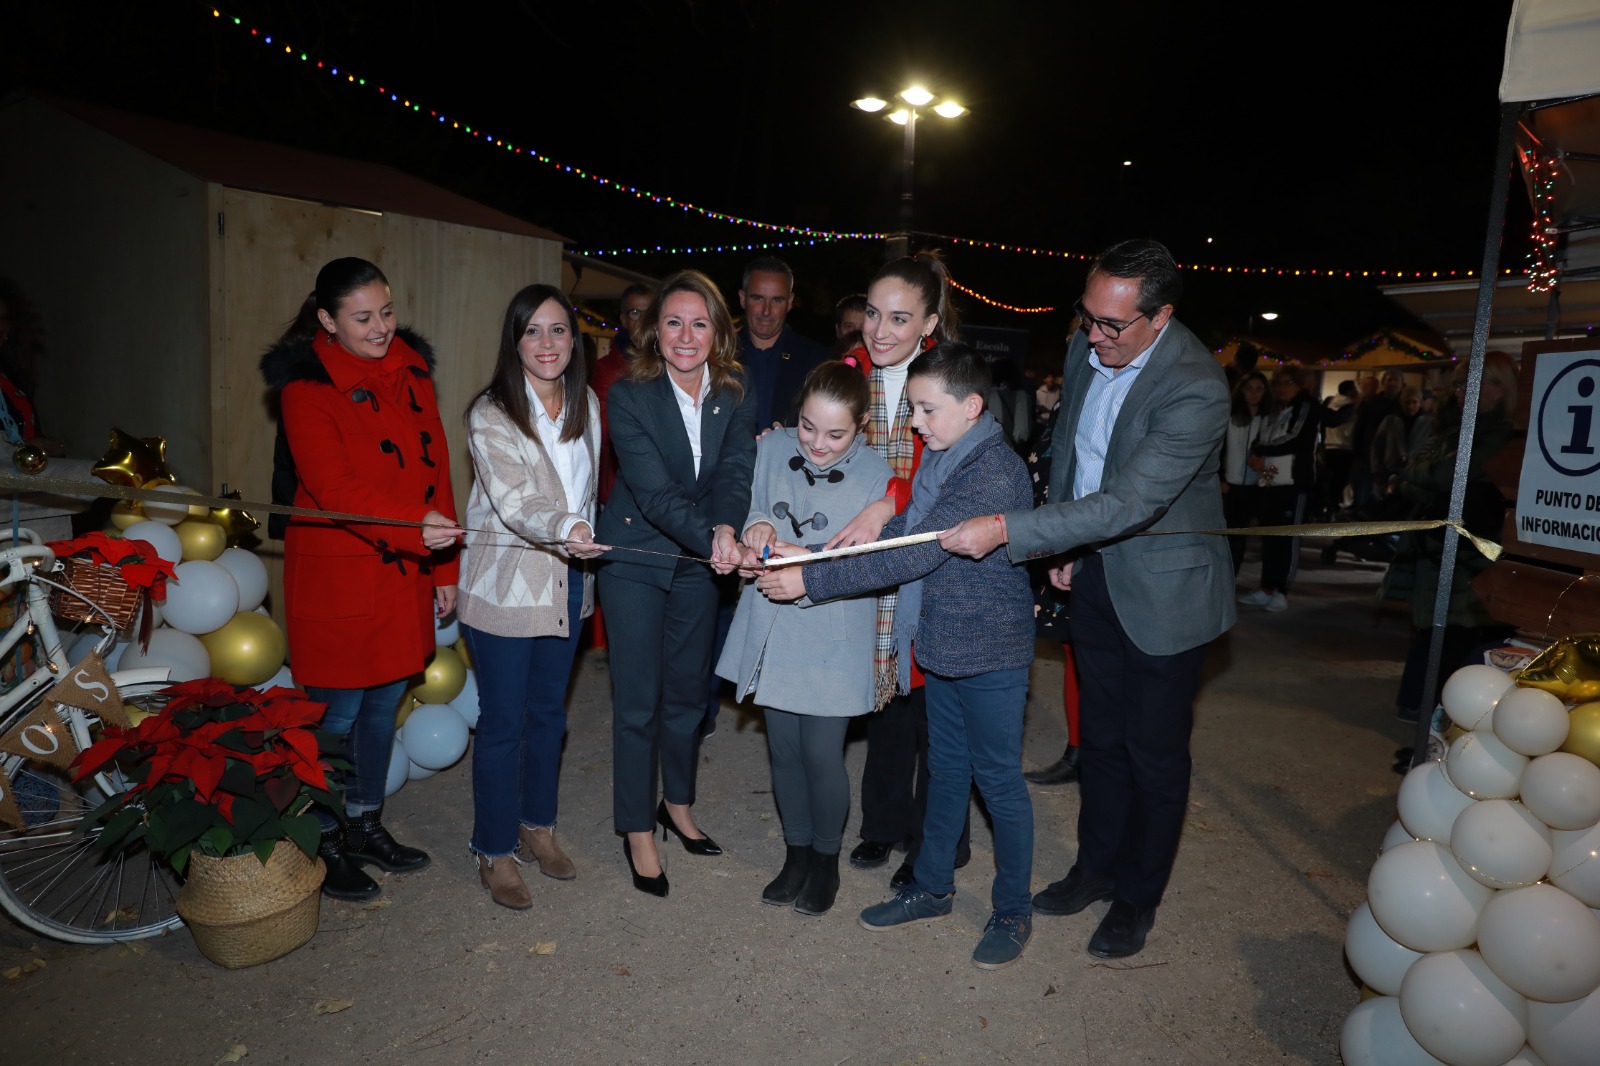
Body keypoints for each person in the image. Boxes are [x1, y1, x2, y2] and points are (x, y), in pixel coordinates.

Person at [940, 237, 1235, 960]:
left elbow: (1132, 501)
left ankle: (1137, 897)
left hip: (1166, 591)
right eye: (1087, 317)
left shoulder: (1197, 386)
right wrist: (1065, 546)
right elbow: (1071, 446)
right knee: (1098, 738)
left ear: (1160, 318)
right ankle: (1095, 868)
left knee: (1153, 754)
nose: (1094, 336)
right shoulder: (1086, 347)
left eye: (1113, 326)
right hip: (1095, 569)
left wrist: (1016, 531)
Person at [756, 342, 1036, 969]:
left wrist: (814, 579)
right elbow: (900, 527)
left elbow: (918, 552)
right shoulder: (944, 454)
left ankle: (1013, 910)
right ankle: (933, 887)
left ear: (971, 406)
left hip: (991, 653)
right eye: (911, 408)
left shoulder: (993, 469)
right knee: (945, 774)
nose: (914, 424)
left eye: (926, 410)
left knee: (998, 783)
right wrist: (829, 543)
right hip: (941, 643)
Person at [260, 256, 464, 902]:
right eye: (362, 318)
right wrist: (418, 528)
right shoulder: (306, 388)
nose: (380, 328)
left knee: (382, 706)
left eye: (386, 312)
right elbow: (334, 488)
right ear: (326, 319)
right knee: (335, 714)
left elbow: (438, 470)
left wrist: (445, 565)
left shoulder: (411, 369)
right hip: (341, 576)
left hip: (403, 569)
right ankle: (320, 840)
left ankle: (364, 822)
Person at [594, 269, 755, 897]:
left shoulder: (734, 393)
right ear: (652, 330)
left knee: (689, 694)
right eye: (673, 322)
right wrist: (714, 536)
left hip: (700, 558)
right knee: (639, 702)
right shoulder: (628, 395)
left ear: (716, 331)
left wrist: (727, 524)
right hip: (635, 556)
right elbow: (655, 493)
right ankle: (638, 828)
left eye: (699, 322)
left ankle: (678, 805)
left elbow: (737, 469)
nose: (686, 336)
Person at [716, 361, 892, 916]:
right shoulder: (772, 448)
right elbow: (748, 503)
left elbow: (874, 562)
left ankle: (825, 859)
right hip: (774, 620)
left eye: (836, 434)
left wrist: (809, 564)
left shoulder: (876, 476)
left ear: (862, 426)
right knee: (784, 750)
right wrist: (757, 526)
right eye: (808, 427)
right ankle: (795, 854)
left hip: (834, 627)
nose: (817, 443)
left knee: (821, 753)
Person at [456, 284, 609, 910]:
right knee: (502, 724)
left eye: (558, 331)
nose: (547, 344)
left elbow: (593, 491)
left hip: (569, 584)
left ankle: (536, 826)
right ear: (513, 340)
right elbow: (518, 502)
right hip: (506, 586)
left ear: (574, 340)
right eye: (532, 331)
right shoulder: (490, 413)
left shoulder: (588, 402)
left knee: (549, 716)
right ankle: (492, 849)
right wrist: (567, 529)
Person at [824, 251, 971, 891]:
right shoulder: (847, 374)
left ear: (930, 322)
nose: (880, 330)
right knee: (884, 704)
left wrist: (891, 497)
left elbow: (955, 480)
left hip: (933, 565)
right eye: (874, 314)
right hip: (870, 567)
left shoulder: (950, 382)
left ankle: (934, 841)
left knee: (933, 716)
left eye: (900, 318)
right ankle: (882, 827)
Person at [1382, 353, 1520, 727]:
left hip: (1470, 555)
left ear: (1501, 389)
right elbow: (1410, 478)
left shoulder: (1499, 434)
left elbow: (1445, 476)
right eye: (1459, 385)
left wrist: (1418, 474)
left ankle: (1439, 723)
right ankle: (1422, 712)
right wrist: (1418, 475)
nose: (1462, 393)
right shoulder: (1453, 429)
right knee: (1432, 632)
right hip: (1438, 548)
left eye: (1473, 383)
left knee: (1454, 638)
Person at [1238, 366, 1319, 612]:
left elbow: (1295, 438)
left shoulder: (1306, 406)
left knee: (1287, 540)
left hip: (1293, 485)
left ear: (1301, 384)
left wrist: (1262, 452)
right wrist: (1255, 454)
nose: (1283, 387)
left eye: (1289, 382)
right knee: (1271, 539)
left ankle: (1282, 590)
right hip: (1271, 483)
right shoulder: (1276, 410)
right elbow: (1261, 439)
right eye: (1279, 383)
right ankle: (1267, 588)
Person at [738, 257, 830, 431]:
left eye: (777, 300)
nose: (766, 311)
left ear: (789, 302)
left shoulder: (817, 361)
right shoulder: (718, 356)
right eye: (758, 299)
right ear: (743, 299)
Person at [592, 282, 657, 506]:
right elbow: (604, 430)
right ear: (624, 319)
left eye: (649, 312)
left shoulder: (674, 362)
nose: (642, 319)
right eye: (635, 312)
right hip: (620, 490)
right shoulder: (607, 368)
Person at [0, 278, 64, 456]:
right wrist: (22, 447)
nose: (1, 326)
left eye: (4, 319)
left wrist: (45, 445)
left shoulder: (9, 371)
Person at [1220, 370, 1273, 575]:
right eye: (1249, 388)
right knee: (1228, 533)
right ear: (1242, 390)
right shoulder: (1230, 416)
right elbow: (1218, 449)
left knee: (1241, 534)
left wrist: (1267, 477)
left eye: (1259, 389)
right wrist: (1220, 477)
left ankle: (1232, 576)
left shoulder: (1269, 419)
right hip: (1230, 485)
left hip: (1255, 485)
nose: (1254, 394)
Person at [1350, 370, 1403, 511]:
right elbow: (1359, 430)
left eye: (1395, 380)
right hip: (1368, 458)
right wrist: (1358, 455)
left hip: (1394, 462)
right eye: (1389, 380)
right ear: (1383, 383)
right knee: (1365, 498)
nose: (1392, 383)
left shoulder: (1403, 405)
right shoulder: (1371, 404)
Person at [1369, 385, 1429, 494]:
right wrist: (1377, 470)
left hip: (1416, 473)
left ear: (1420, 403)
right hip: (1390, 471)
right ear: (1401, 403)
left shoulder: (1428, 423)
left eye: (1414, 402)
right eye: (1407, 403)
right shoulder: (1390, 421)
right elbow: (1377, 445)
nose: (1411, 406)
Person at [1317, 379, 1359, 520]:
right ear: (1349, 390)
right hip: (1344, 448)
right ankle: (1332, 509)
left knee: (1328, 480)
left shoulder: (1330, 402)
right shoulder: (1350, 407)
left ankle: (1323, 509)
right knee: (1339, 481)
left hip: (1328, 446)